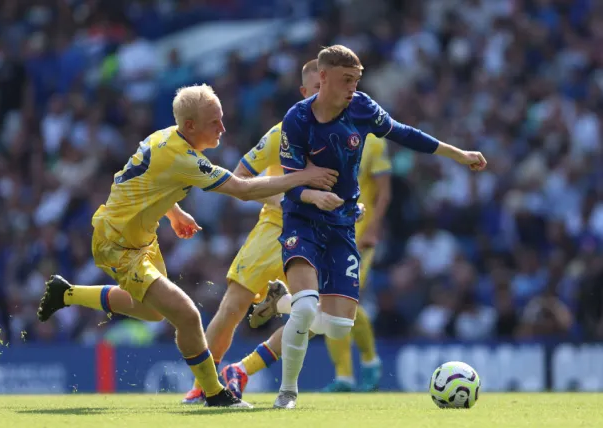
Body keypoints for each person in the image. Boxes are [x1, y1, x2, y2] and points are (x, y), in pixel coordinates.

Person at [36, 83, 338, 408]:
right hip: (117, 245)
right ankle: (214, 394)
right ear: (190, 126)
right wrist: (303, 177)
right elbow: (244, 189)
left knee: (153, 312)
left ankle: (65, 293)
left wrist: (174, 212)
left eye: (221, 119)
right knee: (187, 315)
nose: (223, 127)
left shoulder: (164, 138)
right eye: (214, 122)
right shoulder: (185, 159)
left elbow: (139, 180)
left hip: (139, 239)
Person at [271, 45, 486, 409]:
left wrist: (459, 154)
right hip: (302, 218)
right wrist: (313, 196)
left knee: (339, 326)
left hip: (342, 224)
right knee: (308, 310)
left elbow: (405, 133)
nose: (353, 87)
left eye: (356, 80)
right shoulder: (297, 119)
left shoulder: (362, 108)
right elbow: (288, 182)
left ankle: (279, 302)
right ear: (322, 78)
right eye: (345, 80)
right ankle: (288, 392)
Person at [217, 59, 390, 399]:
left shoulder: (363, 134)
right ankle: (348, 373)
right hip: (294, 232)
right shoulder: (288, 130)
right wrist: (288, 200)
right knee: (309, 311)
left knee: (317, 318)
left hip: (341, 233)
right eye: (315, 92)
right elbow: (241, 181)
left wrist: (352, 211)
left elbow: (372, 188)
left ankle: (241, 368)